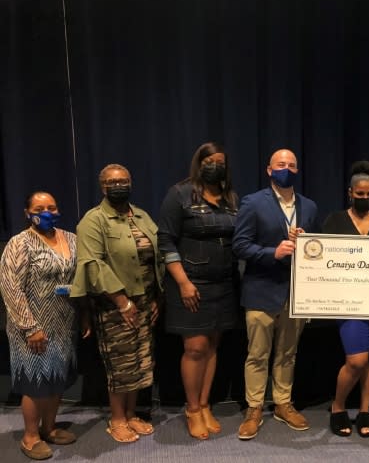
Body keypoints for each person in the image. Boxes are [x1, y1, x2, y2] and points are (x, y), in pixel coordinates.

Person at [71, 164, 165, 444]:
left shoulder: (141, 216)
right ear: (103, 187)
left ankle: (132, 413)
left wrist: (157, 298)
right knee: (120, 364)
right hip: (115, 305)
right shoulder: (94, 220)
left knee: (139, 362)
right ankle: (117, 419)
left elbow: (157, 256)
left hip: (146, 302)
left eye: (124, 180)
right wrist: (122, 302)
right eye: (112, 182)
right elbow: (92, 264)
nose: (119, 185)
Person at [233, 148, 319, 440]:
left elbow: (317, 251)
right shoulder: (252, 203)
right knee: (257, 354)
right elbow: (240, 245)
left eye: (292, 165)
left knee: (288, 354)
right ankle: (254, 408)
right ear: (269, 170)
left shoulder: (309, 206)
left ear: (297, 171)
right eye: (280, 164)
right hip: (261, 291)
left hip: (296, 294)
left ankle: (283, 403)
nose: (286, 168)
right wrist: (274, 252)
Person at [158, 142, 239, 440]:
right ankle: (192, 409)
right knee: (195, 348)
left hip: (224, 284)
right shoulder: (179, 193)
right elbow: (165, 241)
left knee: (213, 346)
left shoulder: (231, 197)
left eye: (220, 161)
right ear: (199, 163)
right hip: (191, 283)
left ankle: (205, 405)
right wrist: (183, 282)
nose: (214, 166)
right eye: (209, 161)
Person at [0, 192, 87, 460]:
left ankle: (49, 428)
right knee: (36, 383)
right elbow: (11, 288)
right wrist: (29, 327)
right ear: (28, 213)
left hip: (64, 323)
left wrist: (84, 314)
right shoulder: (19, 243)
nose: (47, 212)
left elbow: (82, 279)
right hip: (32, 327)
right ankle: (30, 437)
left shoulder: (71, 239)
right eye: (40, 208)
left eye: (52, 206)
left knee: (57, 379)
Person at [322, 161, 369, 438]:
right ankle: (338, 407)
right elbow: (320, 258)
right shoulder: (334, 220)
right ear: (349, 192)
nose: (365, 198)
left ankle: (365, 410)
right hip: (346, 300)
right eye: (359, 194)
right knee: (357, 360)